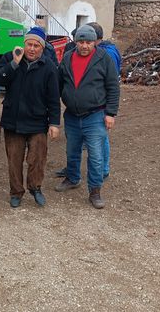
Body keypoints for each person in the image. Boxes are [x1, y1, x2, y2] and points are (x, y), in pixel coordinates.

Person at [0, 28, 61, 208]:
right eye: (29, 44)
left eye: (36, 45)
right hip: (13, 120)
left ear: (42, 48)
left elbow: (53, 98)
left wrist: (54, 123)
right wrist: (14, 64)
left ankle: (35, 187)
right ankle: (16, 191)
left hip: (38, 121)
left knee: (37, 158)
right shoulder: (11, 57)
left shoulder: (48, 67)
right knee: (14, 159)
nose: (32, 49)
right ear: (24, 44)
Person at [56, 25, 120, 209]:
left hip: (96, 115)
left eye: (88, 42)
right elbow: (59, 84)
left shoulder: (103, 59)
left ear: (95, 42)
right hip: (72, 115)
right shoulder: (67, 58)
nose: (84, 46)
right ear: (76, 42)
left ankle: (95, 190)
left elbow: (113, 88)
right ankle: (73, 178)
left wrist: (111, 113)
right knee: (72, 150)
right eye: (81, 42)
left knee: (96, 155)